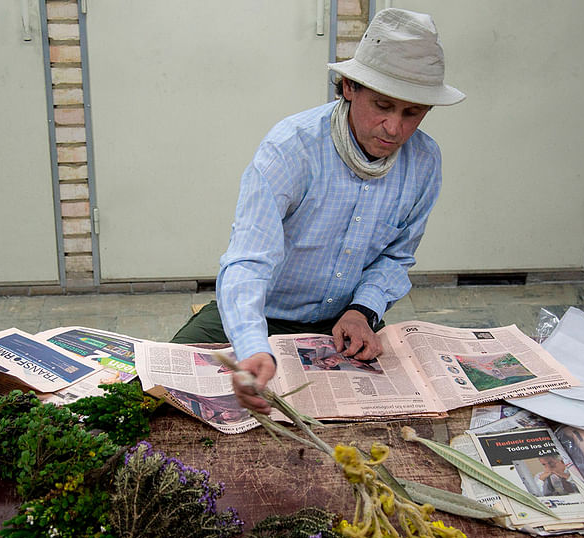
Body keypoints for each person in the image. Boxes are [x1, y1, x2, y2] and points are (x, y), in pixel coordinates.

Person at [171, 8, 464, 414]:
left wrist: (363, 311)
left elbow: (396, 256)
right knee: (163, 389)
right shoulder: (291, 147)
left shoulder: (425, 161)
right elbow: (247, 261)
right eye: (382, 105)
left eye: (411, 113)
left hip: (344, 321)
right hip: (263, 311)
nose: (394, 128)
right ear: (349, 87)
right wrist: (253, 347)